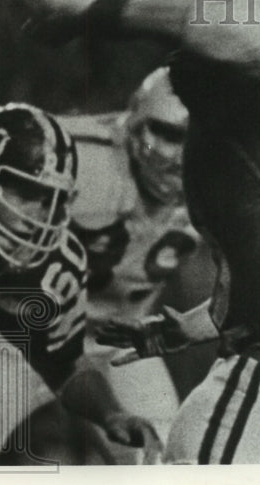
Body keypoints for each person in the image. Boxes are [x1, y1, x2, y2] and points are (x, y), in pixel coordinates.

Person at [9, 0, 260, 464]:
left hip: (119, 336)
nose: (171, 153)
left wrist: (184, 328)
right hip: (24, 328)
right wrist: (81, 7)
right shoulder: (92, 155)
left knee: (150, 456)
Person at [0, 102, 162, 464]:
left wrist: (110, 413)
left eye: (51, 200)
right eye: (25, 192)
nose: (39, 217)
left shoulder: (58, 265)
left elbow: (65, 366)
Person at [59, 67, 214, 448]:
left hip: (118, 341)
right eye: (169, 134)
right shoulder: (78, 156)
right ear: (133, 125)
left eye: (196, 140)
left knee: (161, 450)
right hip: (27, 334)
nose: (181, 157)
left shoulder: (221, 185)